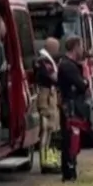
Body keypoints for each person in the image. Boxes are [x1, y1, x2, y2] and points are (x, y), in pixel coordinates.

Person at [56, 36, 92, 183]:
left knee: (73, 139)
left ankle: (71, 169)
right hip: (70, 107)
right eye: (81, 46)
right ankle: (69, 171)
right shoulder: (68, 66)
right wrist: (84, 75)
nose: (82, 50)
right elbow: (82, 85)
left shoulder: (69, 64)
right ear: (75, 47)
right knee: (71, 139)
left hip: (72, 105)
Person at [33, 37, 62, 173]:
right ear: (51, 48)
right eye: (56, 48)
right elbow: (54, 77)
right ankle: (46, 163)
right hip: (46, 96)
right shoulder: (44, 61)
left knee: (50, 129)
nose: (57, 51)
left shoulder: (46, 60)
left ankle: (49, 160)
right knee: (46, 129)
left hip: (49, 95)